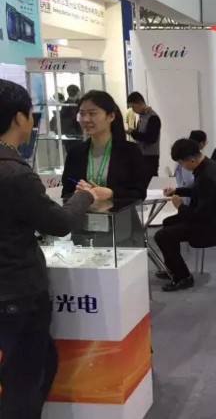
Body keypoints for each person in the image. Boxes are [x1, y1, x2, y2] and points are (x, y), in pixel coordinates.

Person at [0, 79, 103, 418]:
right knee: (24, 379)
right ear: (19, 118)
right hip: (16, 293)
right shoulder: (14, 172)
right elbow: (58, 223)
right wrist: (85, 196)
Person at [156, 139, 216, 292]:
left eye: (181, 162)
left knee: (162, 236)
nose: (181, 166)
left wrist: (180, 207)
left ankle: (183, 277)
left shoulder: (206, 176)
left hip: (211, 227)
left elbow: (200, 215)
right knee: (168, 223)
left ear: (192, 160)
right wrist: (177, 191)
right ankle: (173, 268)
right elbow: (199, 192)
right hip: (211, 218)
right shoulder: (209, 165)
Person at [61, 90, 146, 201]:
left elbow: (140, 193)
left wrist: (111, 193)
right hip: (85, 212)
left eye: (92, 114)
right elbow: (66, 193)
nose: (86, 119)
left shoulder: (130, 151)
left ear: (111, 116)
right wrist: (78, 194)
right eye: (82, 114)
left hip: (120, 212)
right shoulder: (75, 153)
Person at [127, 92, 161, 187]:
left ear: (140, 103)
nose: (133, 110)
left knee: (150, 186)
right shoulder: (142, 117)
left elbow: (151, 138)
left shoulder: (153, 117)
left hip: (150, 157)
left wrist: (133, 133)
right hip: (142, 155)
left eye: (133, 107)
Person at [174, 130, 207, 206]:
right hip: (189, 197)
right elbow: (189, 183)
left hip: (189, 196)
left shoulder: (188, 158)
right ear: (201, 143)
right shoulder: (187, 160)